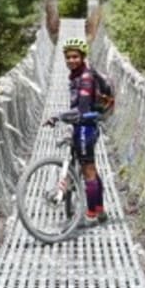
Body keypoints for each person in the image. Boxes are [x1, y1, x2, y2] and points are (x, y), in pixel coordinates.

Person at [45, 37, 107, 225]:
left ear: (83, 57)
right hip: (81, 125)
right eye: (68, 57)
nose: (71, 60)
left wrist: (58, 116)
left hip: (86, 127)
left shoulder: (86, 78)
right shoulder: (76, 75)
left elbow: (81, 109)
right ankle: (99, 209)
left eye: (75, 57)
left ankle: (91, 215)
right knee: (91, 169)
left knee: (88, 170)